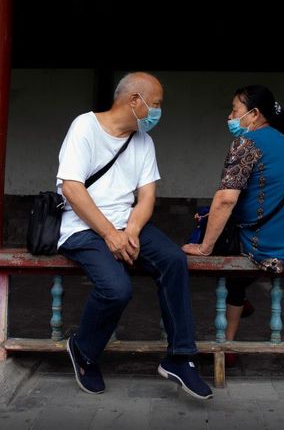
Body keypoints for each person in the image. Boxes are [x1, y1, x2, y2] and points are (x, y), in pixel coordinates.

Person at [56, 72, 213, 400]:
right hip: (85, 228)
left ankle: (180, 357)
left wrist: (132, 230)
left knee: (172, 259)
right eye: (155, 104)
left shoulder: (144, 141)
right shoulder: (85, 127)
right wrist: (110, 233)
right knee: (116, 289)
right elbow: (72, 187)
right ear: (133, 100)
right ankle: (84, 351)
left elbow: (147, 197)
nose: (157, 112)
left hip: (126, 226)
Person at [182, 85, 284, 364]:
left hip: (267, 246)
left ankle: (223, 342)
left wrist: (205, 246)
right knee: (218, 225)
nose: (230, 117)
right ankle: (233, 327)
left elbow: (226, 199)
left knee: (205, 242)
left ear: (254, 114)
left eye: (235, 110)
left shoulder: (247, 142)